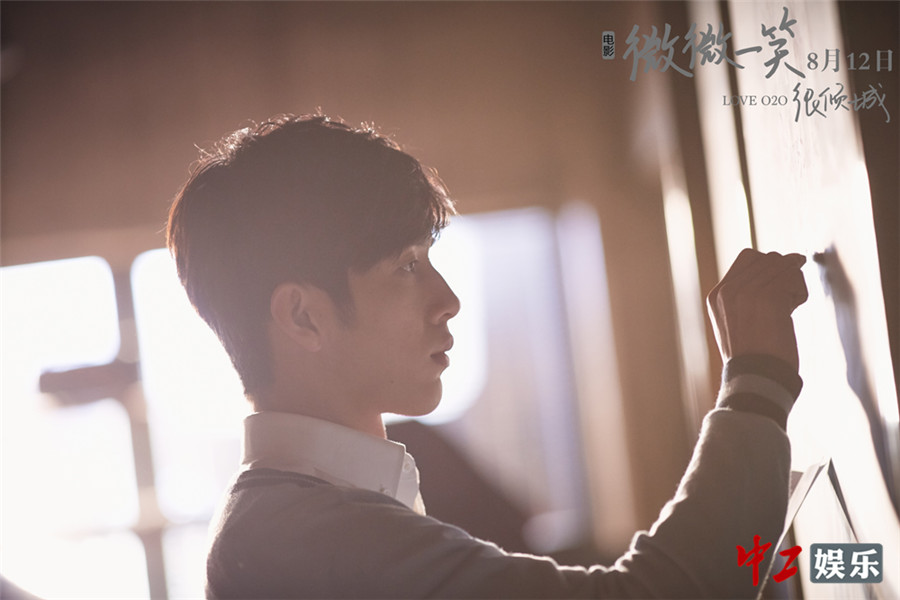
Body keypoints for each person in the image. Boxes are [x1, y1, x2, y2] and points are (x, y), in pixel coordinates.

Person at [166, 113, 808, 599]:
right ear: (304, 316)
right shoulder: (306, 535)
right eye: (406, 266)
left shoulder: (295, 516)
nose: (447, 300)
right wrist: (757, 384)